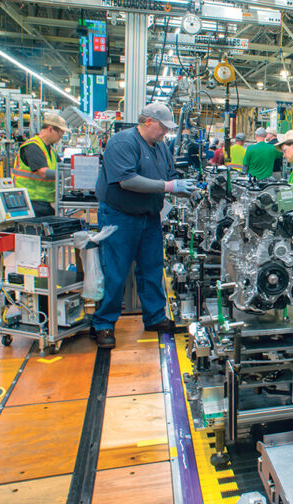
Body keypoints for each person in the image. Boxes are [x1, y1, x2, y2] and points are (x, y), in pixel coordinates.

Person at [92, 103, 194, 349]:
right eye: (162, 127)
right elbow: (127, 181)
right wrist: (168, 187)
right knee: (115, 272)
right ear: (147, 121)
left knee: (152, 268)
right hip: (120, 217)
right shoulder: (123, 142)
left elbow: (169, 177)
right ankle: (103, 324)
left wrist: (184, 189)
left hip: (149, 218)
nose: (165, 133)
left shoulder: (160, 148)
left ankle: (155, 317)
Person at [12, 113, 67, 217]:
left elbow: (62, 167)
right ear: (50, 129)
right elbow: (43, 172)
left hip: (43, 202)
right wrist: (68, 175)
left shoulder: (51, 150)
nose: (61, 137)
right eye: (60, 133)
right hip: (31, 202)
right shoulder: (33, 147)